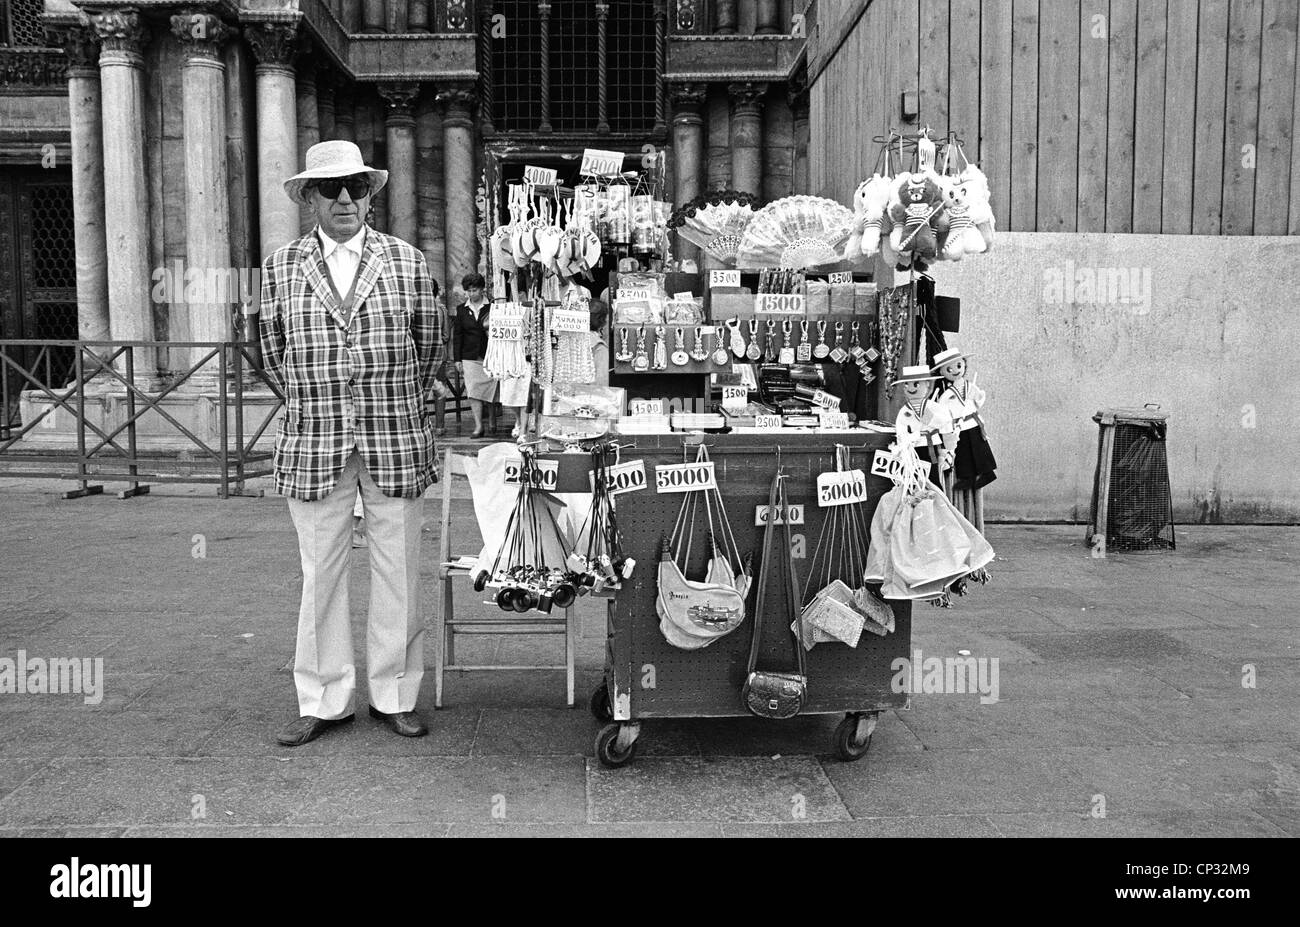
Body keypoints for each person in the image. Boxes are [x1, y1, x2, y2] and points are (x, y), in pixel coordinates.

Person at [259, 140, 442, 746]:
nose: (345, 199)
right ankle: (324, 697)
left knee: (400, 573)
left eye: (356, 188)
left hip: (394, 436)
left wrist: (389, 400)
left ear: (369, 196)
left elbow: (431, 346)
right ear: (309, 197)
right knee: (321, 575)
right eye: (331, 189)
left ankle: (394, 694)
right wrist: (316, 400)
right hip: (315, 440)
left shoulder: (408, 261)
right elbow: (269, 351)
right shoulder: (281, 266)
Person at [450, 272, 495, 438]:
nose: (470, 294)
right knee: (473, 391)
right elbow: (458, 336)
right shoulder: (461, 310)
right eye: (467, 291)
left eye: (474, 290)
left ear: (482, 289)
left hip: (490, 354)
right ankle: (478, 426)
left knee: (491, 389)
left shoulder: (493, 307)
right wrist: (457, 359)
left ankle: (492, 418)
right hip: (469, 356)